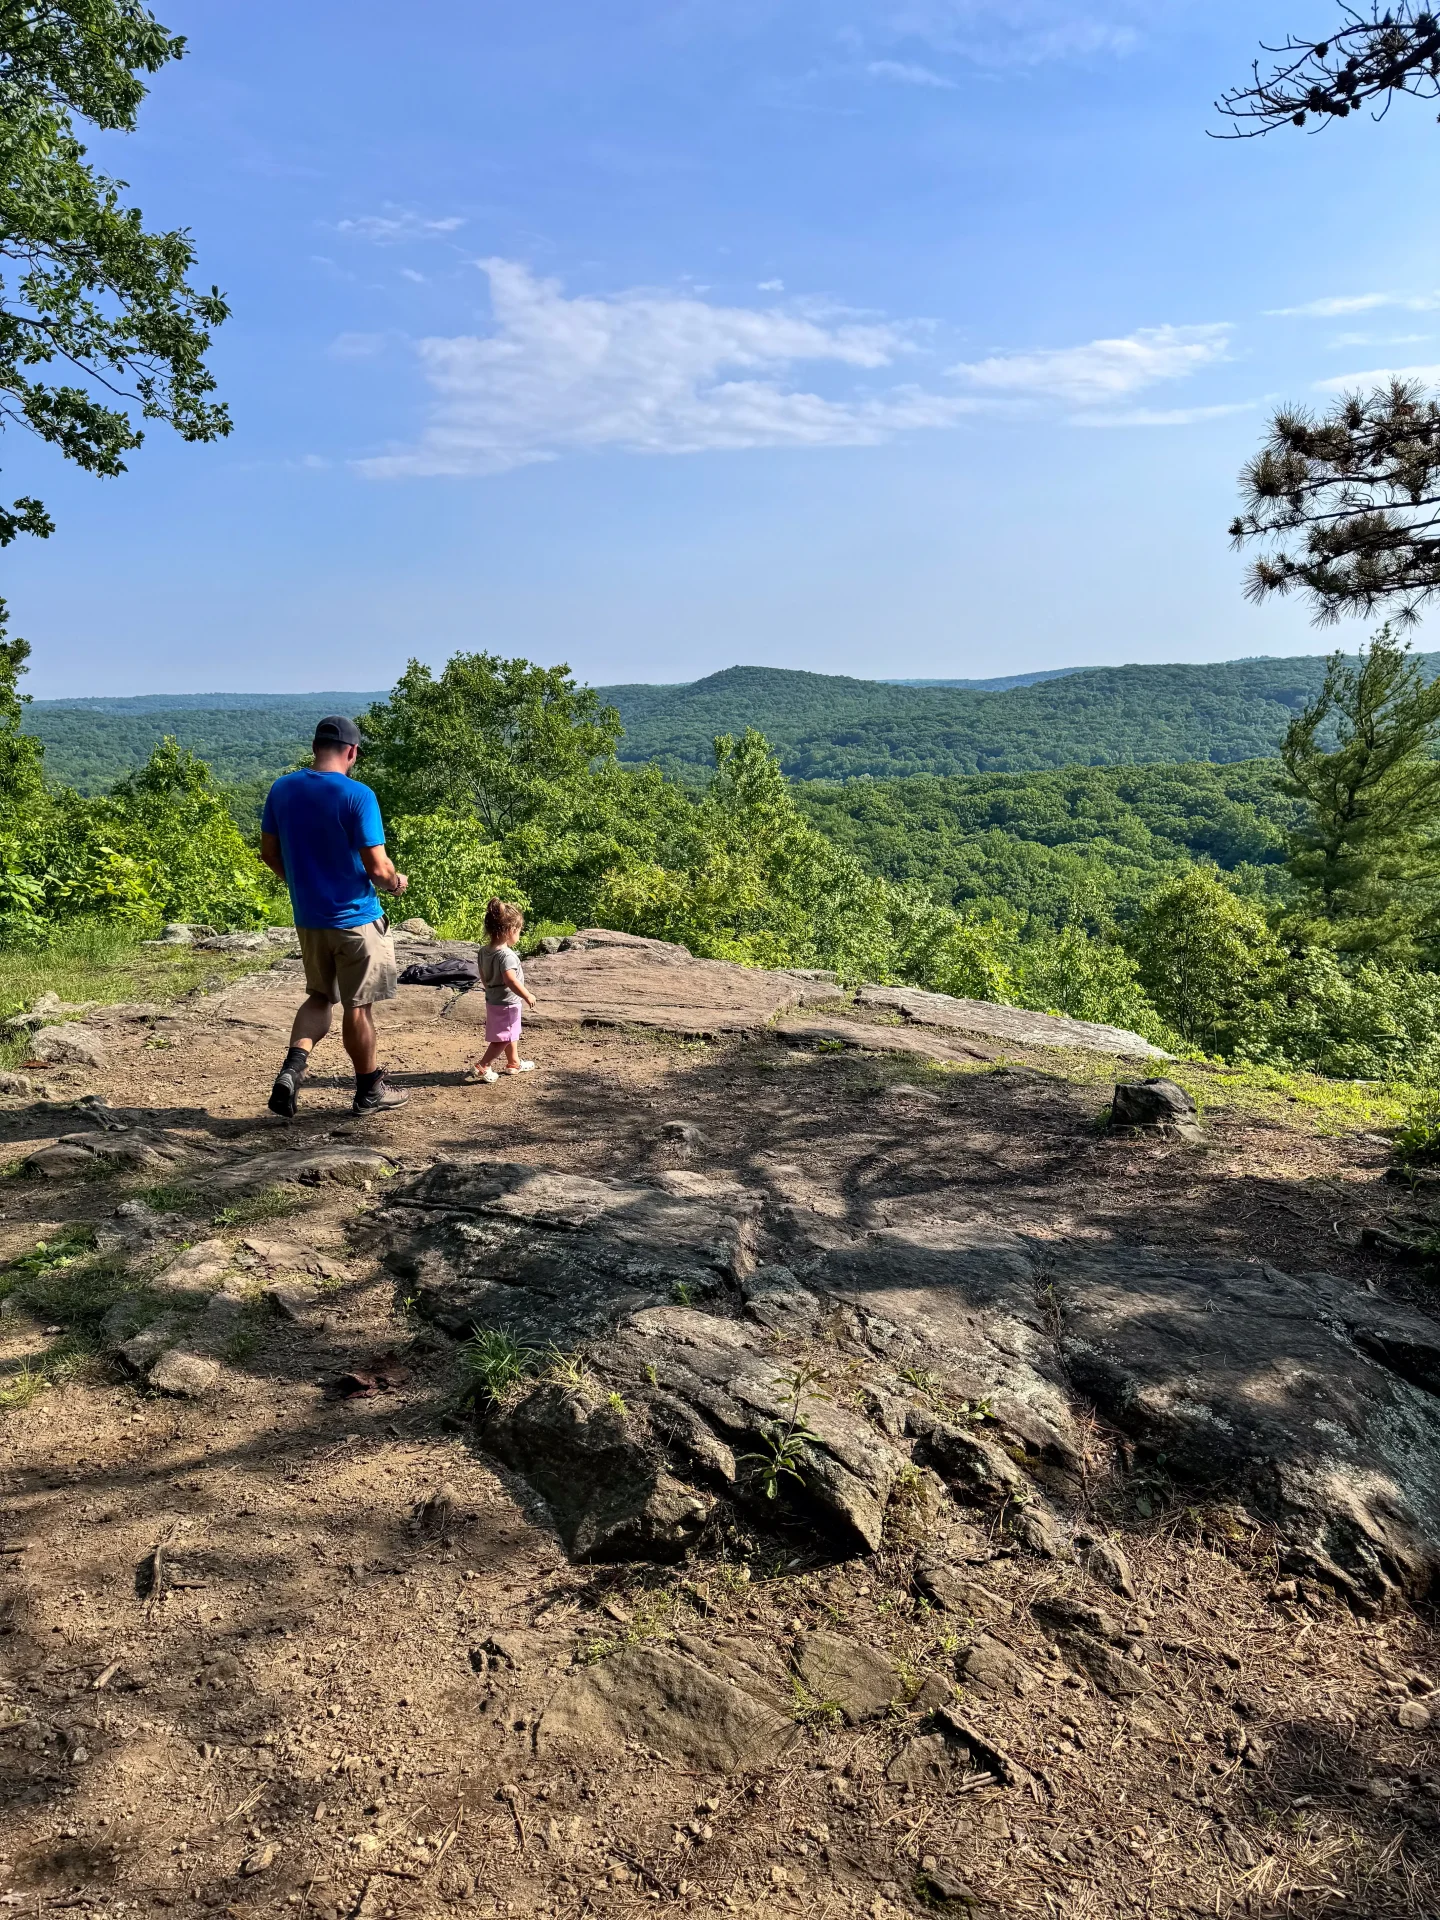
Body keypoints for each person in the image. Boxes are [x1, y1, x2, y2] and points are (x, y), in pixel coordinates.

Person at [258, 715, 411, 1117]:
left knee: (319, 996)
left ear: (315, 748)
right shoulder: (358, 795)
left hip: (310, 919)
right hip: (356, 919)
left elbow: (269, 853)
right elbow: (378, 869)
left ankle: (292, 1070)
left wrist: (301, 886)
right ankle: (369, 1091)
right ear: (352, 752)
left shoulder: (282, 789)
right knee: (358, 1007)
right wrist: (395, 883)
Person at [464, 898, 536, 1084]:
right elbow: (510, 979)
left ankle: (514, 1062)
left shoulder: (483, 951)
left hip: (493, 999)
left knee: (508, 1032)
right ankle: (483, 1066)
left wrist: (488, 988)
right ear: (510, 930)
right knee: (504, 1036)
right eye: (519, 931)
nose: (518, 935)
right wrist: (526, 994)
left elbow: (482, 973)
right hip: (508, 1002)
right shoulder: (507, 955)